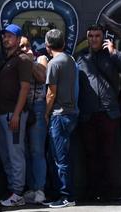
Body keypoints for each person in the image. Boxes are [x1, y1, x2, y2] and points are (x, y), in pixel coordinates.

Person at [77, 25, 121, 202]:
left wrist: (114, 53)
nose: (94, 39)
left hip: (108, 112)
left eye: (97, 36)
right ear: (87, 38)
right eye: (91, 36)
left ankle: (108, 193)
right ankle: (92, 192)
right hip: (88, 113)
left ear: (103, 38)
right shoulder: (81, 59)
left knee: (108, 154)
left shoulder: (111, 57)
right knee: (90, 154)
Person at [0, 23, 34, 208]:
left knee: (15, 153)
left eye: (10, 36)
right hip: (1, 114)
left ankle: (18, 192)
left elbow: (25, 87)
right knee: (5, 154)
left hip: (14, 114)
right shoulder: (7, 59)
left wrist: (17, 114)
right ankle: (12, 190)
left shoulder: (23, 59)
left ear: (18, 40)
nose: (6, 39)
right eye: (5, 36)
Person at [43, 29, 78, 210]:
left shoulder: (53, 63)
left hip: (59, 114)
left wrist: (46, 113)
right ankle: (61, 194)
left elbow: (51, 93)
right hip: (71, 113)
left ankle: (66, 196)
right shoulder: (70, 60)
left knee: (60, 158)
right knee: (59, 156)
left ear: (48, 46)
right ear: (63, 44)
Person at [24, 38, 50, 205]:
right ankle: (31, 187)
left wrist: (30, 61)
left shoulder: (40, 58)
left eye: (27, 46)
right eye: (21, 47)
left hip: (38, 107)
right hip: (21, 108)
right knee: (24, 151)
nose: (24, 49)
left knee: (37, 150)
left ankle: (40, 189)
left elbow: (41, 77)